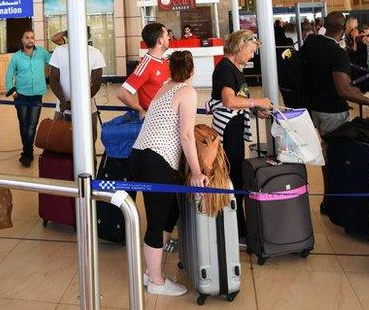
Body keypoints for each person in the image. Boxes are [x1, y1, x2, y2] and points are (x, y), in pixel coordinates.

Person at [131, 51, 202, 297]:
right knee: (157, 219)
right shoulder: (188, 92)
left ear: (170, 70)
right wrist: (197, 171)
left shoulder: (164, 86)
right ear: (192, 72)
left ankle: (152, 271)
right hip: (156, 159)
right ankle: (156, 281)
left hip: (139, 154)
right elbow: (186, 135)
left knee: (170, 210)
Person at [209, 30, 272, 235]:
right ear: (239, 46)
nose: (251, 56)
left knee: (236, 173)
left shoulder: (234, 67)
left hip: (234, 128)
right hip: (228, 131)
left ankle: (239, 225)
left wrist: (254, 110)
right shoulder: (226, 69)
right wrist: (256, 102)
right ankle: (236, 228)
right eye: (251, 51)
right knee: (233, 175)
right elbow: (229, 101)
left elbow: (238, 101)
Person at [302, 11, 369, 137]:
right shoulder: (338, 53)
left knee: (322, 147)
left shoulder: (311, 42)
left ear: (325, 25)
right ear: (344, 28)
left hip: (313, 106)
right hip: (332, 110)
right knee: (337, 149)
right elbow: (344, 90)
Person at [4, 30, 50, 166]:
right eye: (27, 37)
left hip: (37, 95)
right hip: (21, 96)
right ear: (22, 40)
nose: (30, 39)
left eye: (32, 37)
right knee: (24, 124)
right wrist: (12, 91)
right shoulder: (16, 57)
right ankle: (27, 151)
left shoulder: (42, 53)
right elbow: (9, 75)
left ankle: (27, 152)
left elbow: (55, 63)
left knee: (32, 124)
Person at [48, 28, 105, 132]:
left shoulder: (95, 53)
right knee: (59, 143)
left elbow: (96, 83)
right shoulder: (59, 51)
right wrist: (62, 100)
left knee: (89, 144)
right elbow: (53, 79)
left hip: (87, 109)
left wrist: (80, 103)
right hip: (62, 107)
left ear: (88, 36)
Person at [116, 23, 170, 118]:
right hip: (154, 119)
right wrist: (140, 110)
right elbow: (122, 93)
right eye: (166, 36)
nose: (169, 38)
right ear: (160, 41)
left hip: (167, 116)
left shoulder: (164, 61)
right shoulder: (146, 66)